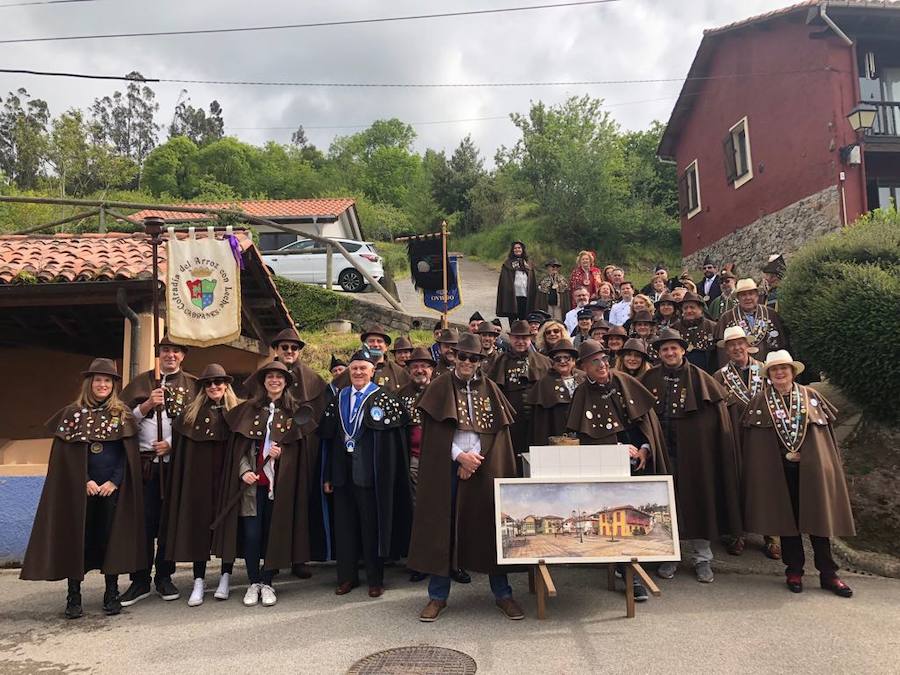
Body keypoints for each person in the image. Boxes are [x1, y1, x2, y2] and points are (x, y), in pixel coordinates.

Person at [408, 333, 524, 622]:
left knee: (491, 525)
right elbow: (435, 434)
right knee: (442, 528)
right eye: (463, 357)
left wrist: (474, 460)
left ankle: (503, 593)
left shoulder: (491, 389)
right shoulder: (439, 387)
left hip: (483, 463)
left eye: (473, 358)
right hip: (448, 464)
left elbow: (495, 432)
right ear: (454, 357)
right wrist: (460, 457)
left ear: (480, 361)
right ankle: (438, 596)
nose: (467, 362)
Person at [21, 358, 145, 619]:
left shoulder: (121, 415)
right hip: (81, 491)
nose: (102, 385)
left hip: (112, 490)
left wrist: (114, 481)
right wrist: (84, 480)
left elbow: (127, 455)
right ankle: (73, 595)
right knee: (78, 540)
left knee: (110, 540)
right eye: (98, 380)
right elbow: (65, 458)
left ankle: (111, 593)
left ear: (113, 386)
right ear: (89, 384)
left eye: (108, 381)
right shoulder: (72, 414)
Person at [740, 351, 855, 597]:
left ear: (793, 372)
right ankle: (794, 570)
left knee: (819, 521)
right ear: (769, 375)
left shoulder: (811, 397)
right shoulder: (760, 401)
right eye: (774, 370)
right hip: (777, 471)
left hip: (811, 471)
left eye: (784, 368)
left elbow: (826, 439)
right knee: (786, 522)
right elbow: (752, 443)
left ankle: (828, 574)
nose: (780, 373)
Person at [566, 339, 670, 602]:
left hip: (640, 462)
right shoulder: (581, 394)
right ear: (584, 368)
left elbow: (646, 422)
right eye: (594, 362)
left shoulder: (625, 381)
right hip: (607, 466)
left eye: (603, 360)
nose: (601, 366)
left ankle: (637, 570)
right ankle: (630, 577)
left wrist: (646, 447)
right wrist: (617, 448)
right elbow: (584, 436)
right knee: (616, 520)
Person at [640, 329, 742, 584]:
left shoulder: (701, 379)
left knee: (699, 501)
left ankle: (702, 557)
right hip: (662, 454)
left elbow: (716, 419)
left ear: (683, 350)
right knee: (665, 505)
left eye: (674, 348)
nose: (670, 353)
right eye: (664, 349)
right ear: (659, 353)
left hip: (696, 455)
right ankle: (670, 555)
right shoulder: (649, 378)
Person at [215, 361, 310, 608]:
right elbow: (238, 449)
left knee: (272, 533)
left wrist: (284, 454)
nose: (275, 380)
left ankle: (268, 582)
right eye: (270, 376)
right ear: (263, 381)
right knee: (252, 534)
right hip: (252, 485)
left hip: (279, 486)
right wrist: (244, 471)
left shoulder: (294, 411)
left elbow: (301, 453)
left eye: (279, 377)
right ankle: (253, 582)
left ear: (285, 382)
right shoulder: (248, 409)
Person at [320, 350, 413, 598]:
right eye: (354, 369)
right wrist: (328, 476)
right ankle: (346, 578)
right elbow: (329, 441)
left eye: (363, 368)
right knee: (345, 529)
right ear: (349, 372)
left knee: (371, 528)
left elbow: (394, 445)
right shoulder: (339, 398)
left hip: (371, 477)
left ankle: (375, 579)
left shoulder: (385, 399)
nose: (358, 372)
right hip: (342, 475)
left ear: (373, 371)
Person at [118, 336, 197, 606]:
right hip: (143, 467)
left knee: (167, 523)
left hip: (174, 465)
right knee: (142, 524)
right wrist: (147, 405)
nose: (170, 355)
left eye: (176, 351)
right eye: (165, 350)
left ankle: (164, 576)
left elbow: (197, 424)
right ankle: (139, 580)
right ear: (159, 353)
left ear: (183, 355)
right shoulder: (140, 383)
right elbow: (121, 418)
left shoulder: (193, 385)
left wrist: (172, 445)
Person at [165, 364, 241, 606]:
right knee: (199, 527)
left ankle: (225, 577)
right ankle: (198, 579)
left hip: (228, 479)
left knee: (228, 526)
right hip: (199, 480)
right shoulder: (190, 416)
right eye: (208, 383)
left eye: (218, 382)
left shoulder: (238, 413)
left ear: (226, 384)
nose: (213, 386)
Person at [260, 328, 330, 576]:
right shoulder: (265, 377)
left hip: (301, 452)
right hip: (269, 451)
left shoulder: (313, 380)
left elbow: (320, 417)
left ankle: (299, 558)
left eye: (294, 348)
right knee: (269, 505)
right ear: (276, 349)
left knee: (300, 504)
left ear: (299, 351)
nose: (289, 351)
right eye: (284, 347)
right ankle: (272, 557)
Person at [713, 327, 780, 560]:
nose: (736, 348)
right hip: (735, 436)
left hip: (765, 437)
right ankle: (738, 533)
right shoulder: (720, 376)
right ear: (726, 349)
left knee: (767, 484)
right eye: (731, 345)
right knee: (737, 482)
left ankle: (772, 536)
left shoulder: (766, 370)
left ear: (747, 344)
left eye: (739, 343)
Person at [485, 320, 551, 475]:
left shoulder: (545, 362)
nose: (520, 341)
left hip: (538, 418)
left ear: (530, 338)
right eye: (516, 338)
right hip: (511, 420)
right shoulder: (500, 361)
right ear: (510, 338)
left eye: (524, 338)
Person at [397, 347, 437, 583]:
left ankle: (449, 562)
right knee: (417, 512)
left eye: (424, 366)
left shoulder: (443, 390)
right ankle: (420, 562)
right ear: (409, 370)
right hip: (413, 460)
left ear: (432, 369)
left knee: (443, 510)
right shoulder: (400, 395)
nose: (420, 370)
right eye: (415, 367)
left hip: (441, 460)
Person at [714, 278, 789, 367]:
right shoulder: (726, 318)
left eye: (751, 294)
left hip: (769, 368)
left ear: (757, 296)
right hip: (739, 370)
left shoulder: (771, 315)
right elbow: (722, 353)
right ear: (738, 298)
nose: (748, 298)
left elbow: (782, 345)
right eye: (743, 295)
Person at [526, 339, 585, 446]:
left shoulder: (584, 378)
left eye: (566, 358)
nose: (562, 361)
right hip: (556, 433)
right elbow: (540, 423)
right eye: (558, 359)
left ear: (573, 360)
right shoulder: (544, 383)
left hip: (583, 431)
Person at [335, 326, 411, 393]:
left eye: (379, 341)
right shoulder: (353, 370)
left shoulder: (398, 372)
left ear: (386, 347)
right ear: (364, 345)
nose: (375, 344)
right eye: (371, 341)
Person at [672, 292, 717, 373]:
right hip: (682, 374)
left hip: (709, 374)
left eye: (692, 307)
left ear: (701, 309)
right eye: (685, 308)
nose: (689, 311)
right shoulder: (674, 329)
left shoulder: (713, 327)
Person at [496, 241, 537, 322]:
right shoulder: (508, 264)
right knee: (513, 318)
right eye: (515, 248)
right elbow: (504, 281)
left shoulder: (528, 263)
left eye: (519, 248)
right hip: (512, 296)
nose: (517, 249)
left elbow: (532, 280)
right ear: (512, 250)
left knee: (524, 318)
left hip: (525, 295)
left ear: (522, 249)